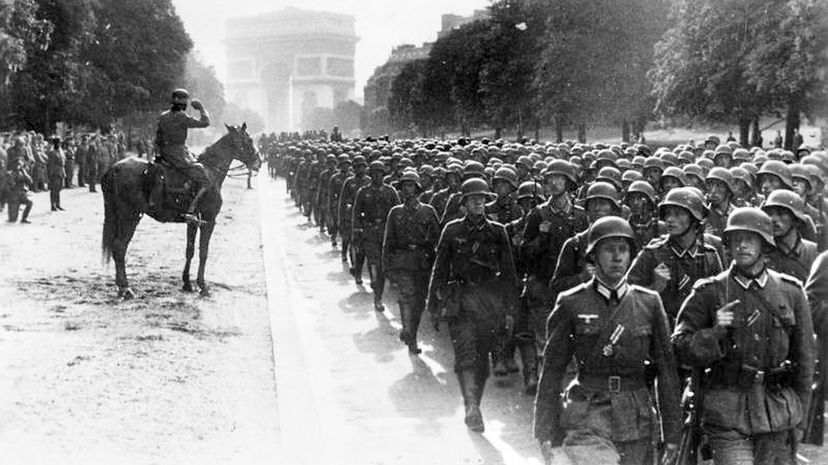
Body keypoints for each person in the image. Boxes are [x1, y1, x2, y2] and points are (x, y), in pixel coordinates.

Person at [672, 207, 815, 465]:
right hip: (726, 412)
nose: (742, 246)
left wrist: (800, 420)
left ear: (765, 245)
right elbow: (680, 347)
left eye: (750, 239)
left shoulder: (790, 292)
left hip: (777, 413)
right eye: (736, 239)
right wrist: (714, 332)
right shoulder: (710, 291)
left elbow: (805, 361)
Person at [534, 216, 681, 465]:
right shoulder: (572, 301)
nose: (617, 257)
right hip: (587, 412)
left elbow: (666, 372)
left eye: (623, 249)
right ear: (593, 256)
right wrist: (545, 430)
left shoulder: (649, 302)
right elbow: (552, 369)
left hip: (636, 416)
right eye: (608, 249)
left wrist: (672, 432)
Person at [426, 178, 520, 433]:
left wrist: (512, 310)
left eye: (482, 198)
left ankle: (474, 403)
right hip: (461, 301)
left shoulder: (498, 231)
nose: (478, 202)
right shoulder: (452, 231)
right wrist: (433, 304)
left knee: (482, 361)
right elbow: (439, 268)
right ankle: (472, 408)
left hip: (490, 303)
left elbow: (509, 273)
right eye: (473, 199)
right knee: (466, 355)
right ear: (464, 203)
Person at [628, 187, 724, 326]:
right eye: (668, 214)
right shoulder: (652, 254)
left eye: (678, 214)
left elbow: (721, 303)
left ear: (694, 218)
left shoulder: (709, 256)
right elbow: (627, 302)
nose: (670, 219)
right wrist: (654, 288)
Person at [382, 170, 440, 354]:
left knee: (419, 302)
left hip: (422, 262)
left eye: (411, 185)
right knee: (406, 296)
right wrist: (386, 267)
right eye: (405, 185)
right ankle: (407, 330)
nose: (407, 189)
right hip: (402, 261)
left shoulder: (428, 211)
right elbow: (388, 242)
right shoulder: (395, 212)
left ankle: (412, 334)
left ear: (417, 188)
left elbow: (438, 240)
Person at [153, 88, 210, 222]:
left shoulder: (162, 116)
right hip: (178, 154)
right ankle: (191, 210)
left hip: (164, 153)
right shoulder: (182, 117)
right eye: (185, 101)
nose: (186, 104)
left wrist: (159, 154)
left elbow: (157, 139)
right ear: (180, 102)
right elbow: (205, 123)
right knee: (204, 179)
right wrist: (201, 108)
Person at [352, 160, 399, 311]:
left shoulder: (391, 192)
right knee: (376, 264)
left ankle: (377, 287)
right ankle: (377, 298)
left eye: (379, 174)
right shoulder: (363, 192)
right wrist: (357, 231)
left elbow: (398, 211)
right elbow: (356, 213)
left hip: (386, 233)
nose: (377, 176)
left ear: (383, 175)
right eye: (374, 174)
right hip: (370, 232)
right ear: (370, 175)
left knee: (385, 266)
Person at [761, 189, 818, 282]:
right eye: (770, 213)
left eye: (781, 213)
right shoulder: (759, 253)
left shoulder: (814, 254)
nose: (773, 219)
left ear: (796, 220)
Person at [46, 136, 66, 211]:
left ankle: (58, 204)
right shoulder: (52, 152)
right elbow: (50, 164)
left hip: (60, 171)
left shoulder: (60, 151)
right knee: (54, 189)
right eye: (59, 143)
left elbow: (63, 161)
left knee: (59, 188)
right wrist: (50, 175)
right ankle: (53, 205)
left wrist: (63, 172)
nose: (60, 144)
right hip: (55, 172)